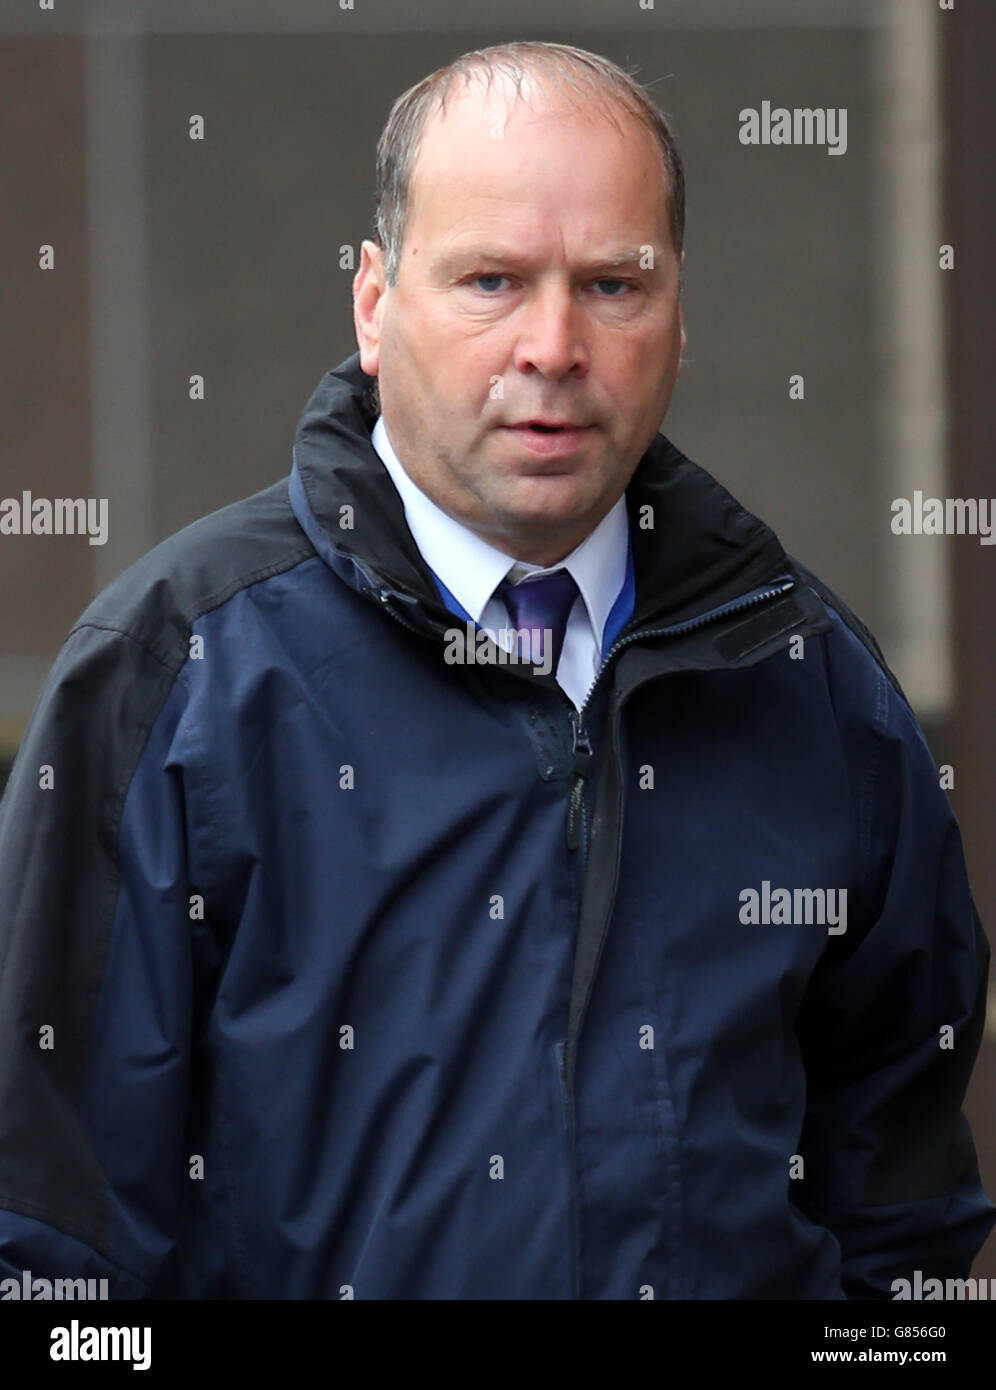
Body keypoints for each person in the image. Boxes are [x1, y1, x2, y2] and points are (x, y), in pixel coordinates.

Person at [0, 40, 991, 1302]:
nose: (555, 344)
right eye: (491, 280)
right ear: (373, 304)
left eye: (613, 286)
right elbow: (46, 1250)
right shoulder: (172, 678)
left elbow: (900, 1216)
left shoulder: (815, 691)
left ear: (680, 310)